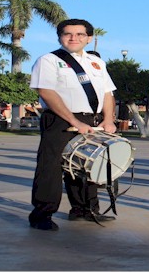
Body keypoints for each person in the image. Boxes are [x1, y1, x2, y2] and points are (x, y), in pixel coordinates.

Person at [28, 19, 117, 231]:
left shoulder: (97, 63)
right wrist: (73, 121)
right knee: (51, 167)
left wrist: (108, 119)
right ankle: (42, 214)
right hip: (60, 120)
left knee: (85, 166)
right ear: (59, 37)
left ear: (89, 38)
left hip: (91, 121)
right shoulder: (48, 60)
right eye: (67, 34)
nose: (73, 38)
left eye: (79, 34)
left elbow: (107, 93)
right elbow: (46, 92)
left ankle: (84, 210)